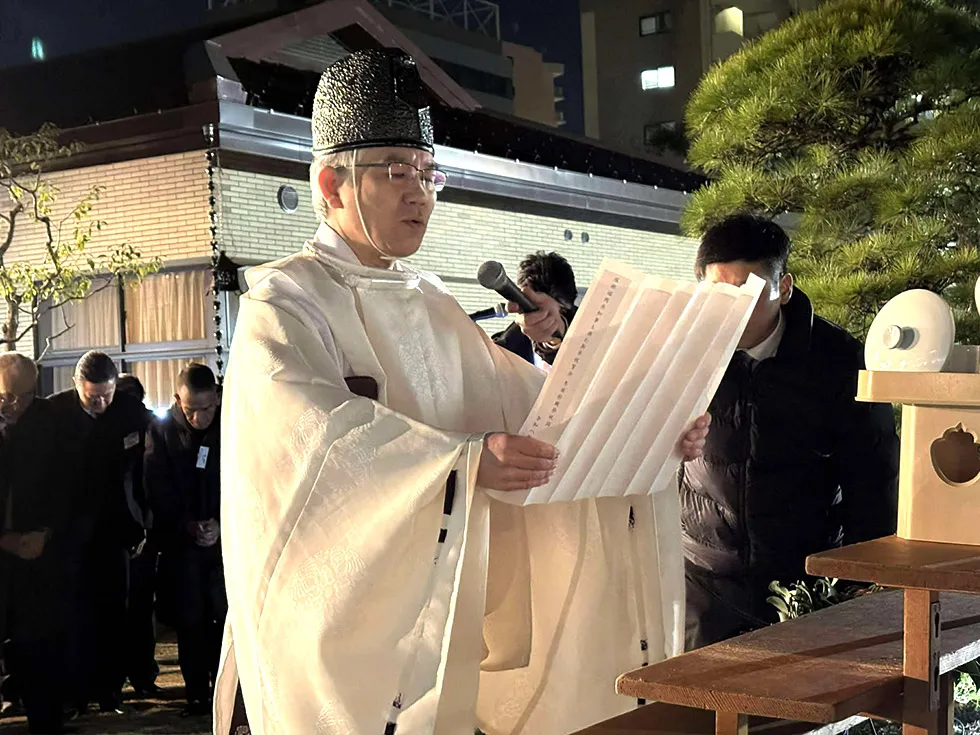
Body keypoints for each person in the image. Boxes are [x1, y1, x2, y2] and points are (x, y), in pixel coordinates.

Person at [215, 48, 709, 735]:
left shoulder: (431, 301)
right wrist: (462, 462)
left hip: (442, 616)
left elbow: (532, 407)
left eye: (428, 173)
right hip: (339, 637)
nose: (419, 193)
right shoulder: (285, 303)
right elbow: (313, 445)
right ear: (331, 183)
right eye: (396, 171)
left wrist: (649, 427)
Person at [681, 214, 900, 650]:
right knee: (697, 691)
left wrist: (864, 581)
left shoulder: (838, 360)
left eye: (748, 293)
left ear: (783, 288)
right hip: (703, 579)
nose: (732, 310)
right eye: (719, 295)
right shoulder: (685, 351)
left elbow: (874, 476)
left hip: (803, 582)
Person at [50, 351, 149, 715]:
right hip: (70, 529)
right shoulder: (55, 413)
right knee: (74, 613)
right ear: (77, 385)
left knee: (114, 611)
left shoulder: (129, 411)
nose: (101, 403)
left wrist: (143, 520)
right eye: (93, 397)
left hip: (116, 527)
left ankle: (110, 691)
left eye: (107, 395)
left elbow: (145, 469)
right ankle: (75, 694)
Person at [0, 353, 76, 734]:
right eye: (5, 397)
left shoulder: (52, 425)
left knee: (38, 646)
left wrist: (46, 533)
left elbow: (68, 487)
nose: (14, 405)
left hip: (38, 551)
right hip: (4, 547)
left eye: (23, 396)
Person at [145, 363, 225, 716]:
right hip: (182, 543)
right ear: (177, 400)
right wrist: (186, 525)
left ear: (217, 398)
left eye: (206, 409)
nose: (198, 417)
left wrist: (220, 523)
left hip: (223, 542)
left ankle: (224, 691)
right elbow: (155, 486)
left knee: (223, 618)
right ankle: (195, 693)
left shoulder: (232, 424)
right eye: (190, 409)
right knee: (190, 621)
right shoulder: (161, 431)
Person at [115, 373, 161, 698]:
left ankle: (140, 675)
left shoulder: (149, 427)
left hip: (141, 530)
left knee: (139, 608)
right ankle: (134, 676)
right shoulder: (115, 428)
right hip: (125, 530)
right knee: (133, 608)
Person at [492, 251, 579, 367]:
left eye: (563, 313)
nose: (549, 318)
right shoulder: (503, 353)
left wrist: (555, 338)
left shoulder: (594, 328)